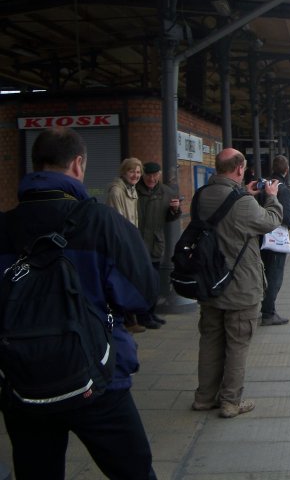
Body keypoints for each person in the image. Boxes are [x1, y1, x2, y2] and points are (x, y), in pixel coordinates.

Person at [0, 127, 159, 480]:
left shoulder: (5, 227)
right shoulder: (104, 223)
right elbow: (142, 295)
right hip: (99, 379)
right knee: (133, 472)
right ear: (77, 164)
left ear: (35, 164)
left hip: (25, 383)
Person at [191, 148, 283, 419]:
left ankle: (204, 398)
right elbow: (269, 222)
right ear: (240, 169)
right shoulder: (242, 202)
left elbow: (225, 213)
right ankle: (231, 401)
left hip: (208, 283)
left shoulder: (201, 195)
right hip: (239, 285)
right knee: (237, 344)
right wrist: (272, 198)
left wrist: (245, 194)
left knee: (209, 341)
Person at [136, 161, 182, 329]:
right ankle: (141, 316)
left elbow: (170, 218)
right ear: (143, 174)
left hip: (155, 243)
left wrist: (175, 210)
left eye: (155, 175)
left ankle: (150, 314)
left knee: (153, 282)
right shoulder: (134, 190)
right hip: (138, 243)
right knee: (140, 282)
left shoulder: (166, 192)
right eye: (148, 175)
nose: (152, 178)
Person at [259, 155, 290, 326]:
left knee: (265, 275)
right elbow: (287, 218)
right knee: (274, 276)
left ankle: (265, 309)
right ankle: (268, 314)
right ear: (287, 170)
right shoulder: (281, 189)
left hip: (261, 236)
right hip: (275, 240)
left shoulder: (264, 185)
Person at [107, 157, 146, 333]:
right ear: (124, 172)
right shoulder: (117, 191)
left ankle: (129, 320)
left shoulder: (131, 190)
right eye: (132, 171)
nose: (135, 175)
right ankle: (123, 321)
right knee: (124, 280)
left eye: (138, 172)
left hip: (129, 241)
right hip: (122, 244)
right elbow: (119, 220)